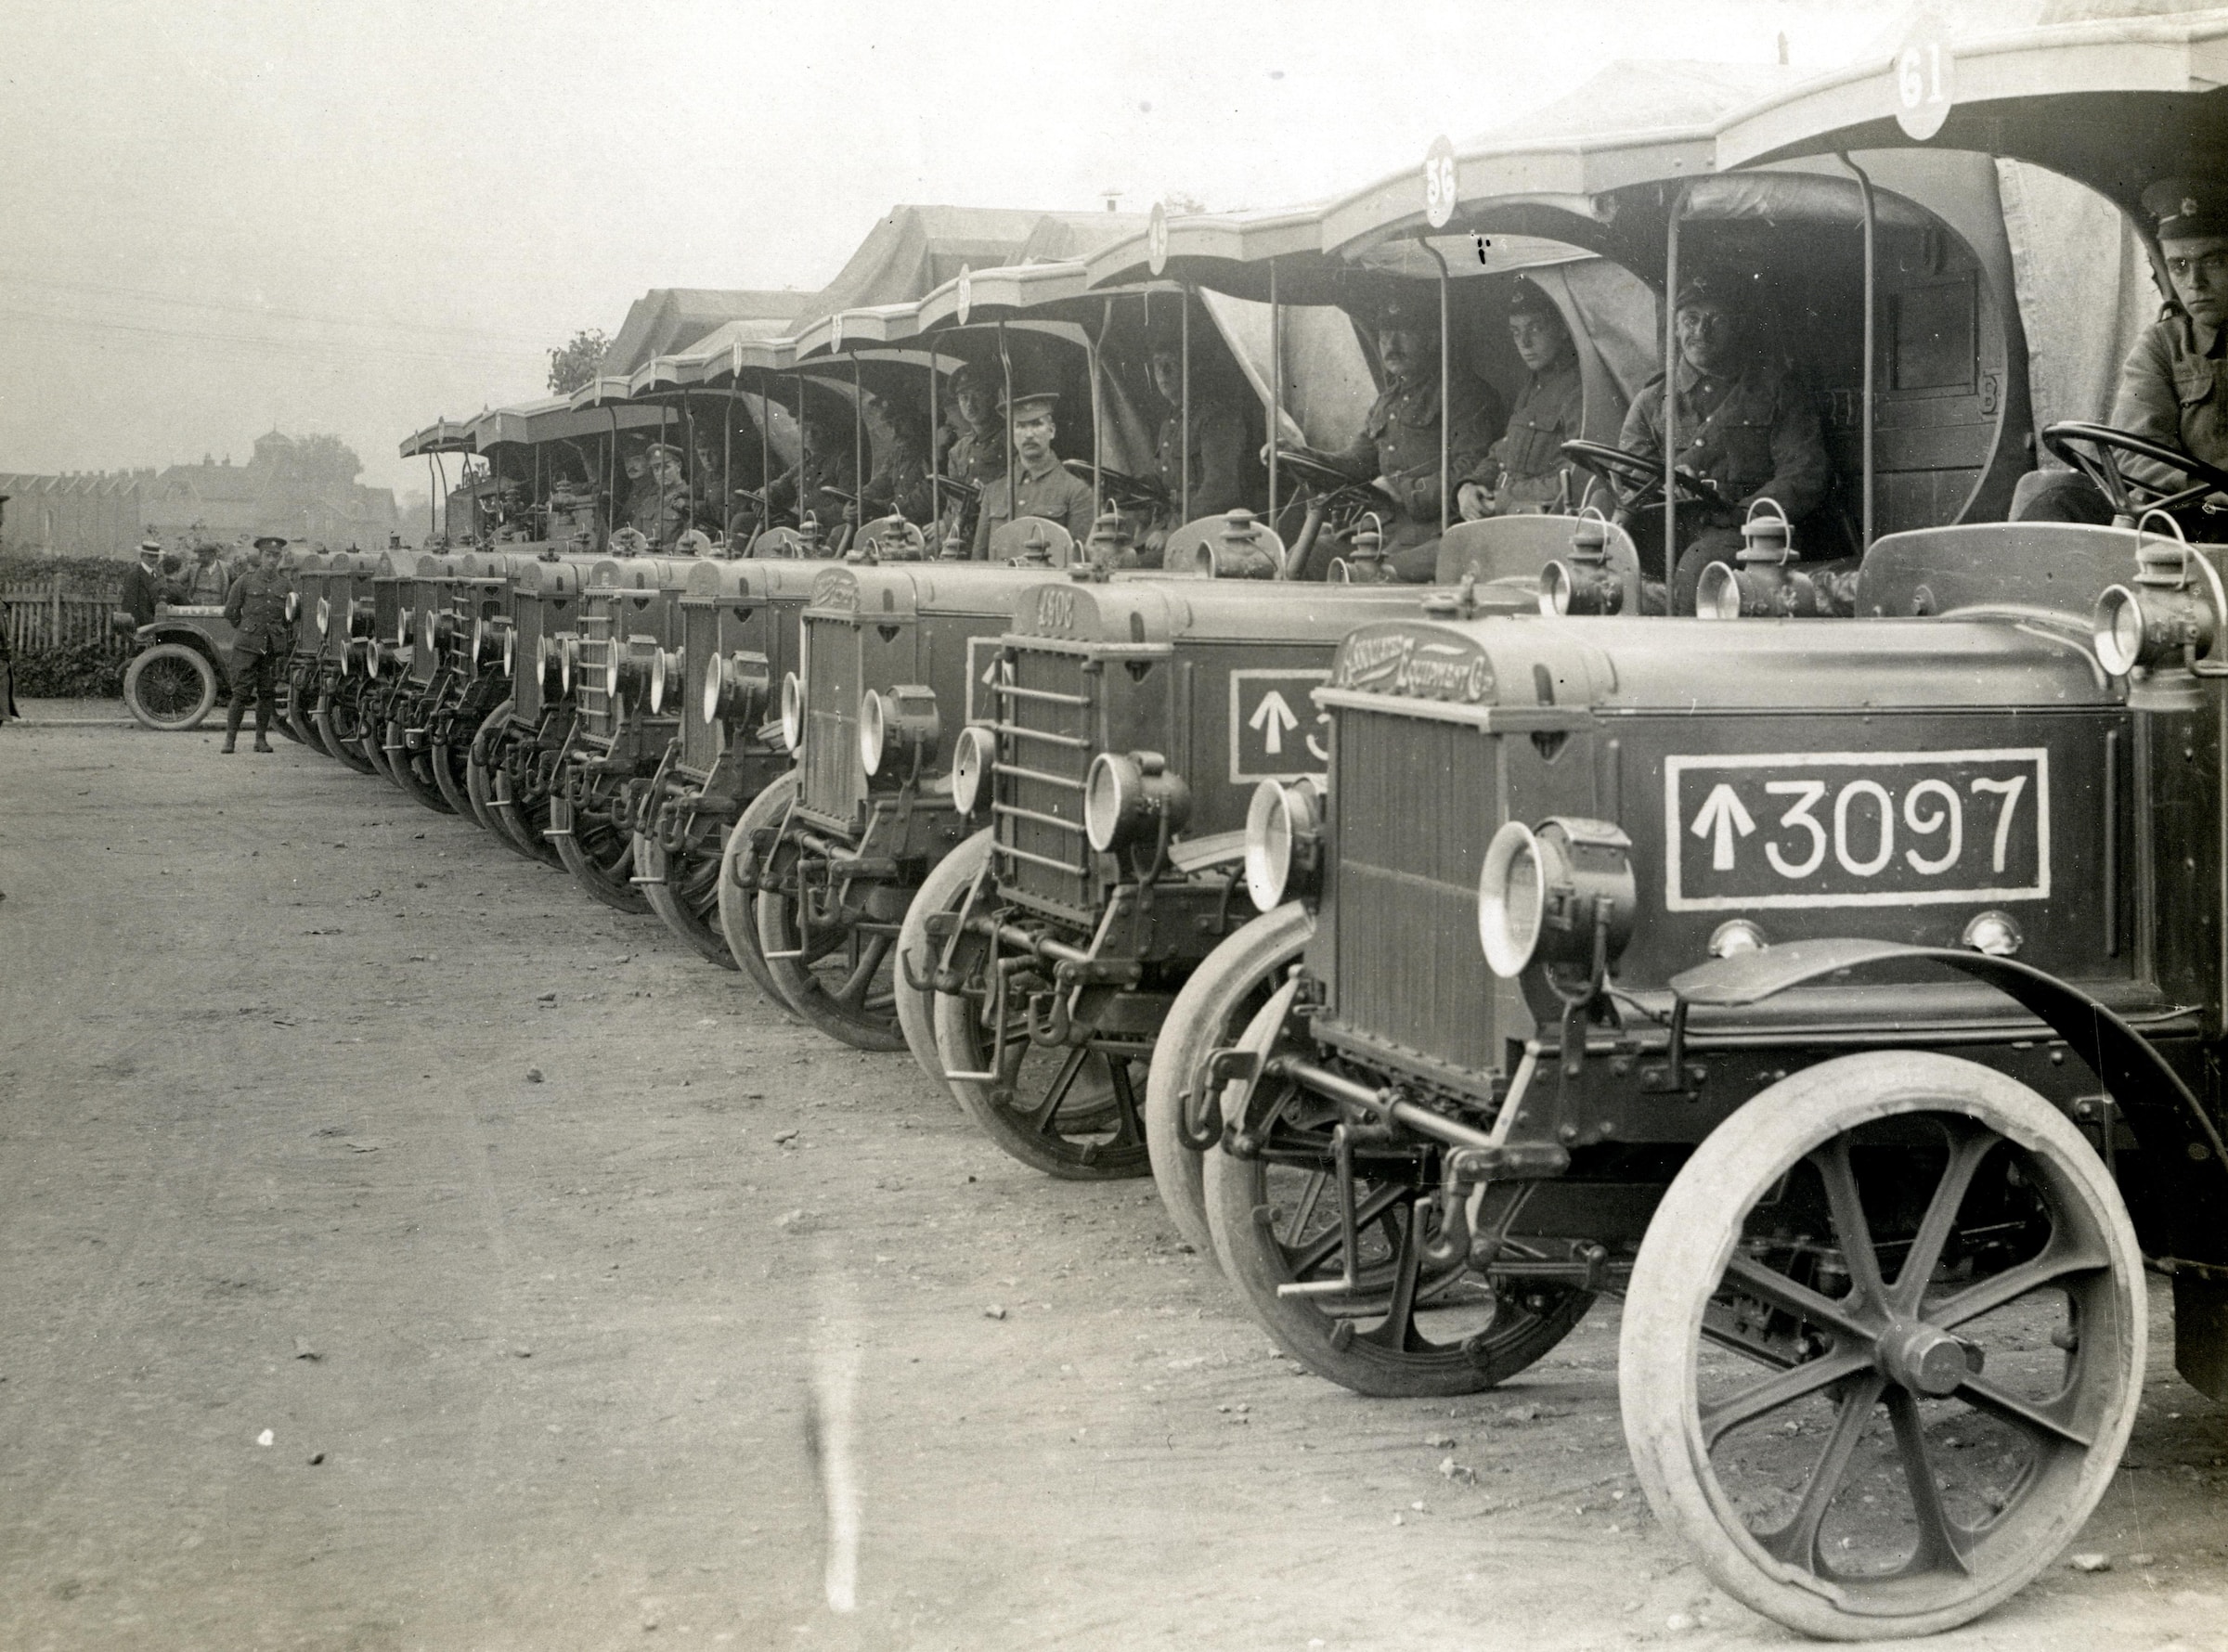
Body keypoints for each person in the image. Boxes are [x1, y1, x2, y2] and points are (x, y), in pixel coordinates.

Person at [1615, 268, 1833, 613]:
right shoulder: (1653, 400)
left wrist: (1740, 513)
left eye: (1715, 320)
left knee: (1699, 571)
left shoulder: (1777, 390)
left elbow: (1804, 475)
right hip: (1669, 526)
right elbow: (1627, 476)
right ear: (1674, 326)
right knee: (1604, 566)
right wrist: (1667, 482)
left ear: (1739, 326)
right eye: (1690, 320)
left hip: (1747, 534)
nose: (1700, 331)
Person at [2014, 178, 2228, 527]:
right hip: (2190, 513)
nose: (2195, 283)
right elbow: (2134, 450)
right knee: (2049, 494)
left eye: (2214, 261)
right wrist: (2203, 492)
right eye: (2180, 266)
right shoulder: (2163, 345)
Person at [1318, 294, 1503, 580]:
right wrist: (1304, 455)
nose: (1391, 346)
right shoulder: (1388, 400)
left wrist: (1404, 490)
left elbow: (1472, 466)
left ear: (1431, 339)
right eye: (1384, 335)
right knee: (1313, 553)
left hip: (1434, 529)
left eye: (1403, 334)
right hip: (1384, 527)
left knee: (1375, 575)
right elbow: (1356, 460)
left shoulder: (1464, 393)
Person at [1459, 281, 1590, 519]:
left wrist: (1509, 496)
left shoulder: (1578, 391)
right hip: (1509, 516)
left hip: (1546, 524)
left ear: (1562, 329)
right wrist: (1470, 484)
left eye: (1535, 328)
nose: (1524, 342)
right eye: (1516, 332)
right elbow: (1504, 451)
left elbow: (1579, 477)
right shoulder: (1532, 387)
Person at [1138, 323, 1259, 562]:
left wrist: (1176, 530)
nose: (1162, 372)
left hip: (1206, 532)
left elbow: (1220, 488)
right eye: (1157, 364)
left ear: (1191, 368)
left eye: (1170, 363)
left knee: (1126, 567)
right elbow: (1164, 483)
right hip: (1168, 528)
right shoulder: (1170, 423)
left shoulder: (1216, 418)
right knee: (1109, 558)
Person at [970, 391, 1099, 558]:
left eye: (1037, 424)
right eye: (1021, 426)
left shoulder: (1077, 491)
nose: (1029, 434)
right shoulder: (994, 492)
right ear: (1012, 435)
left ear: (1051, 431)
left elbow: (1080, 560)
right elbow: (979, 561)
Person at [220, 535, 291, 754]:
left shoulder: (286, 585)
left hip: (271, 648)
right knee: (240, 694)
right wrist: (246, 629)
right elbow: (231, 611)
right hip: (247, 647)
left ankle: (260, 740)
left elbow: (291, 617)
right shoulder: (245, 581)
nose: (272, 560)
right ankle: (230, 740)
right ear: (260, 556)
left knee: (267, 693)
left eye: (276, 556)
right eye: (268, 555)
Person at [858, 390, 937, 524]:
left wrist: (885, 507)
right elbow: (879, 483)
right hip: (898, 520)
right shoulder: (897, 455)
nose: (896, 431)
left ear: (915, 418)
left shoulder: (932, 452)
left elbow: (928, 496)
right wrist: (858, 500)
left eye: (901, 422)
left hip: (923, 526)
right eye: (891, 425)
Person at [120, 539, 168, 628]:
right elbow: (130, 603)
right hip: (140, 624)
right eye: (150, 556)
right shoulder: (134, 575)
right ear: (142, 556)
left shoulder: (156, 574)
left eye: (156, 556)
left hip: (153, 622)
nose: (154, 559)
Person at [181, 540, 233, 604]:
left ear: (212, 555)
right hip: (197, 606)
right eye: (199, 555)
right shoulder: (193, 569)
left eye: (202, 556)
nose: (198, 558)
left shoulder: (226, 567)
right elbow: (177, 581)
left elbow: (236, 584)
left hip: (218, 606)